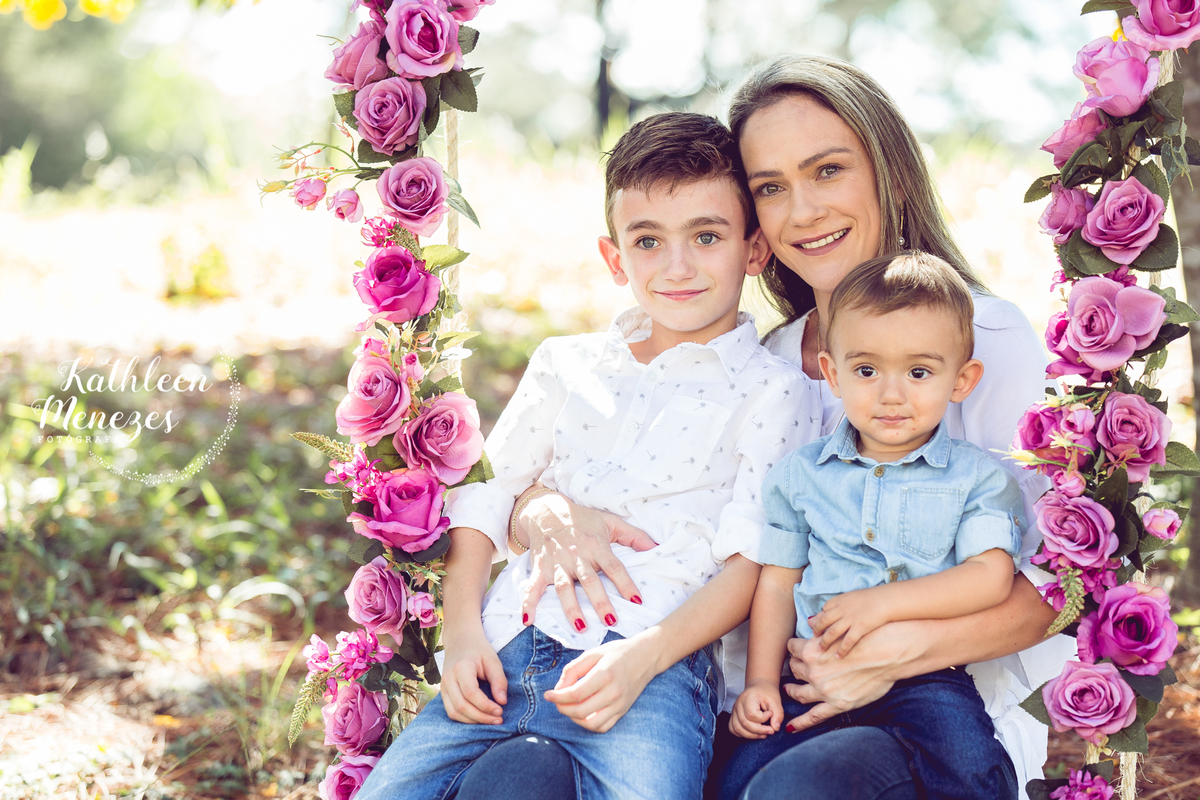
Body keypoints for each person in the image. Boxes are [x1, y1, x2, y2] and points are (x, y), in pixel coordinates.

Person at [508, 55, 1075, 800]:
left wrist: (898, 652)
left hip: (939, 704)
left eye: (827, 170)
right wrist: (540, 505)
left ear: (888, 171)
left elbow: (1062, 581)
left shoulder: (984, 339)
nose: (802, 211)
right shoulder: (765, 364)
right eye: (770, 188)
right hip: (768, 699)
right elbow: (670, 512)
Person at [355, 112, 820, 800]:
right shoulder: (565, 363)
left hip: (653, 668)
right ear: (614, 257)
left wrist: (645, 659)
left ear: (754, 249)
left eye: (707, 236)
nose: (678, 266)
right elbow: (485, 498)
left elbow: (752, 560)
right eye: (648, 241)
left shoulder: (774, 391)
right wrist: (462, 635)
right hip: (507, 648)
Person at [725, 252, 1023, 800]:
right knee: (738, 775)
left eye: (918, 372)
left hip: (923, 676)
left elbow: (990, 577)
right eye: (866, 371)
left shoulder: (976, 478)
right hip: (809, 673)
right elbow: (778, 582)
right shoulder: (800, 475)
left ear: (961, 380)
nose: (891, 394)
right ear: (833, 374)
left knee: (968, 764)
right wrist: (761, 681)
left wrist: (881, 605)